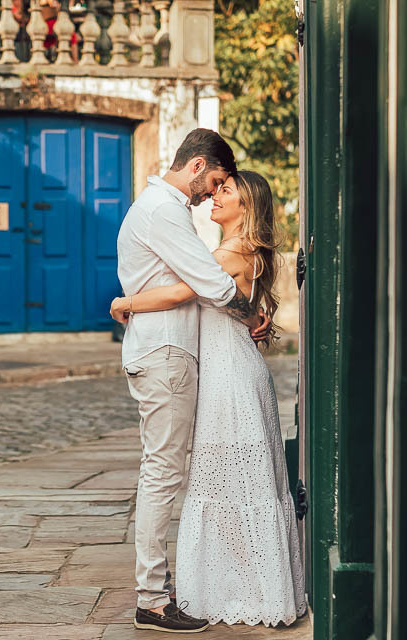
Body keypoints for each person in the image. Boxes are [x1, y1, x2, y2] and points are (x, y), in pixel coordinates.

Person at [111, 170, 307, 628]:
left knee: (229, 481)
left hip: (230, 376)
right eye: (217, 187)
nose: (216, 195)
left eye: (227, 190)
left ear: (248, 206)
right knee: (231, 480)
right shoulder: (236, 250)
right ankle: (235, 582)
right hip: (229, 367)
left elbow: (184, 289)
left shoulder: (233, 251)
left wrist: (127, 303)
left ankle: (242, 588)